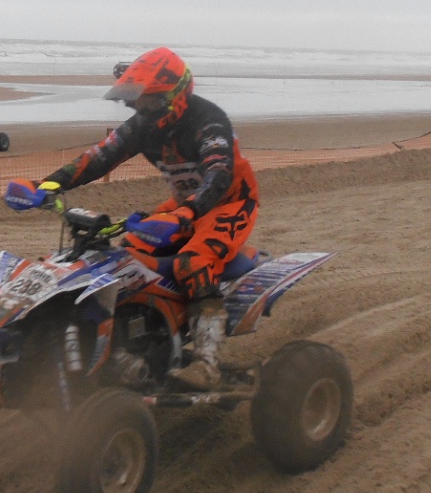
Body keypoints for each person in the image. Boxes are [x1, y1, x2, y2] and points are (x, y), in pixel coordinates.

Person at [14, 47, 259, 390]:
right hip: (183, 205)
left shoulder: (209, 121)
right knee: (125, 256)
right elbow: (99, 157)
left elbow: (218, 172)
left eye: (149, 101)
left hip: (228, 203)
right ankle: (139, 339)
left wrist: (188, 211)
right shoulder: (143, 126)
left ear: (175, 95)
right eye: (138, 102)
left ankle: (206, 364)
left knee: (193, 261)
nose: (141, 108)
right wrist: (47, 185)